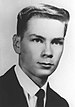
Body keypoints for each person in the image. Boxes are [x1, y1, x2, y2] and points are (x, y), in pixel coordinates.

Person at [0, 3, 70, 107]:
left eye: (56, 42)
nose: (48, 53)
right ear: (17, 44)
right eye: (37, 40)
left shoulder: (61, 104)